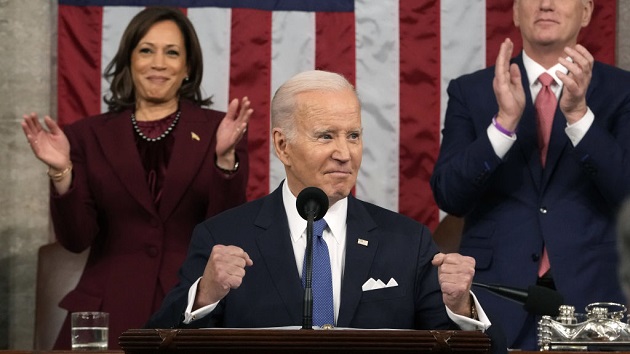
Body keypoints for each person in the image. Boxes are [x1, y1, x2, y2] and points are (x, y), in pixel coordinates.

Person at [146, 70, 507, 353]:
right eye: (326, 136)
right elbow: (154, 344)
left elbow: (474, 350)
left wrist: (463, 308)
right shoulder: (223, 238)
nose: (344, 152)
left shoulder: (407, 242)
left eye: (353, 135)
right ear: (282, 146)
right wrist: (205, 294)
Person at [21, 7, 252, 349]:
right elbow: (75, 239)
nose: (158, 62)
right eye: (146, 50)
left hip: (188, 309)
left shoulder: (221, 131)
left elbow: (227, 231)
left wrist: (223, 160)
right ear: (130, 59)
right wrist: (61, 171)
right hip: (106, 311)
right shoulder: (85, 136)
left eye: (171, 52)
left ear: (187, 67)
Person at [430, 0, 630, 350]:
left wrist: (580, 116)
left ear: (586, 12)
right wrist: (503, 125)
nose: (546, 4)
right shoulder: (471, 91)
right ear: (515, 12)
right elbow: (449, 195)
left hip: (596, 300)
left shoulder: (622, 91)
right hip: (497, 300)